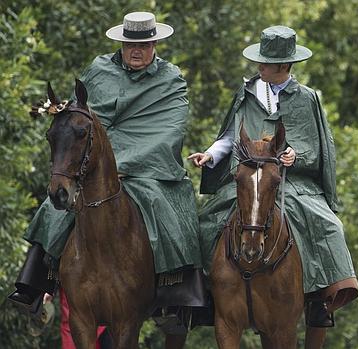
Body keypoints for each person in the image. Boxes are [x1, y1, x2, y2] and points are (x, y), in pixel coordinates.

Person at [7, 11, 211, 332]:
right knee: (55, 205)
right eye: (131, 44)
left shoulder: (171, 79)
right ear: (121, 42)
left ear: (155, 42)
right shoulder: (98, 70)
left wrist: (123, 163)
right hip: (91, 164)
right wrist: (90, 159)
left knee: (169, 205)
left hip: (147, 168)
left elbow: (169, 131)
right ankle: (35, 282)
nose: (137, 51)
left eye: (144, 44)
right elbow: (78, 119)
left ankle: (178, 293)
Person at [188, 25, 358, 328]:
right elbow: (230, 137)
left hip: (293, 182)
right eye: (260, 60)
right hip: (247, 178)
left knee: (328, 225)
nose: (260, 66)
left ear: (285, 65)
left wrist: (296, 156)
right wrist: (211, 154)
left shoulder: (307, 98)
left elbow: (317, 148)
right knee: (205, 222)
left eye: (266, 62)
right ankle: (201, 296)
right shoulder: (246, 93)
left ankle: (321, 297)